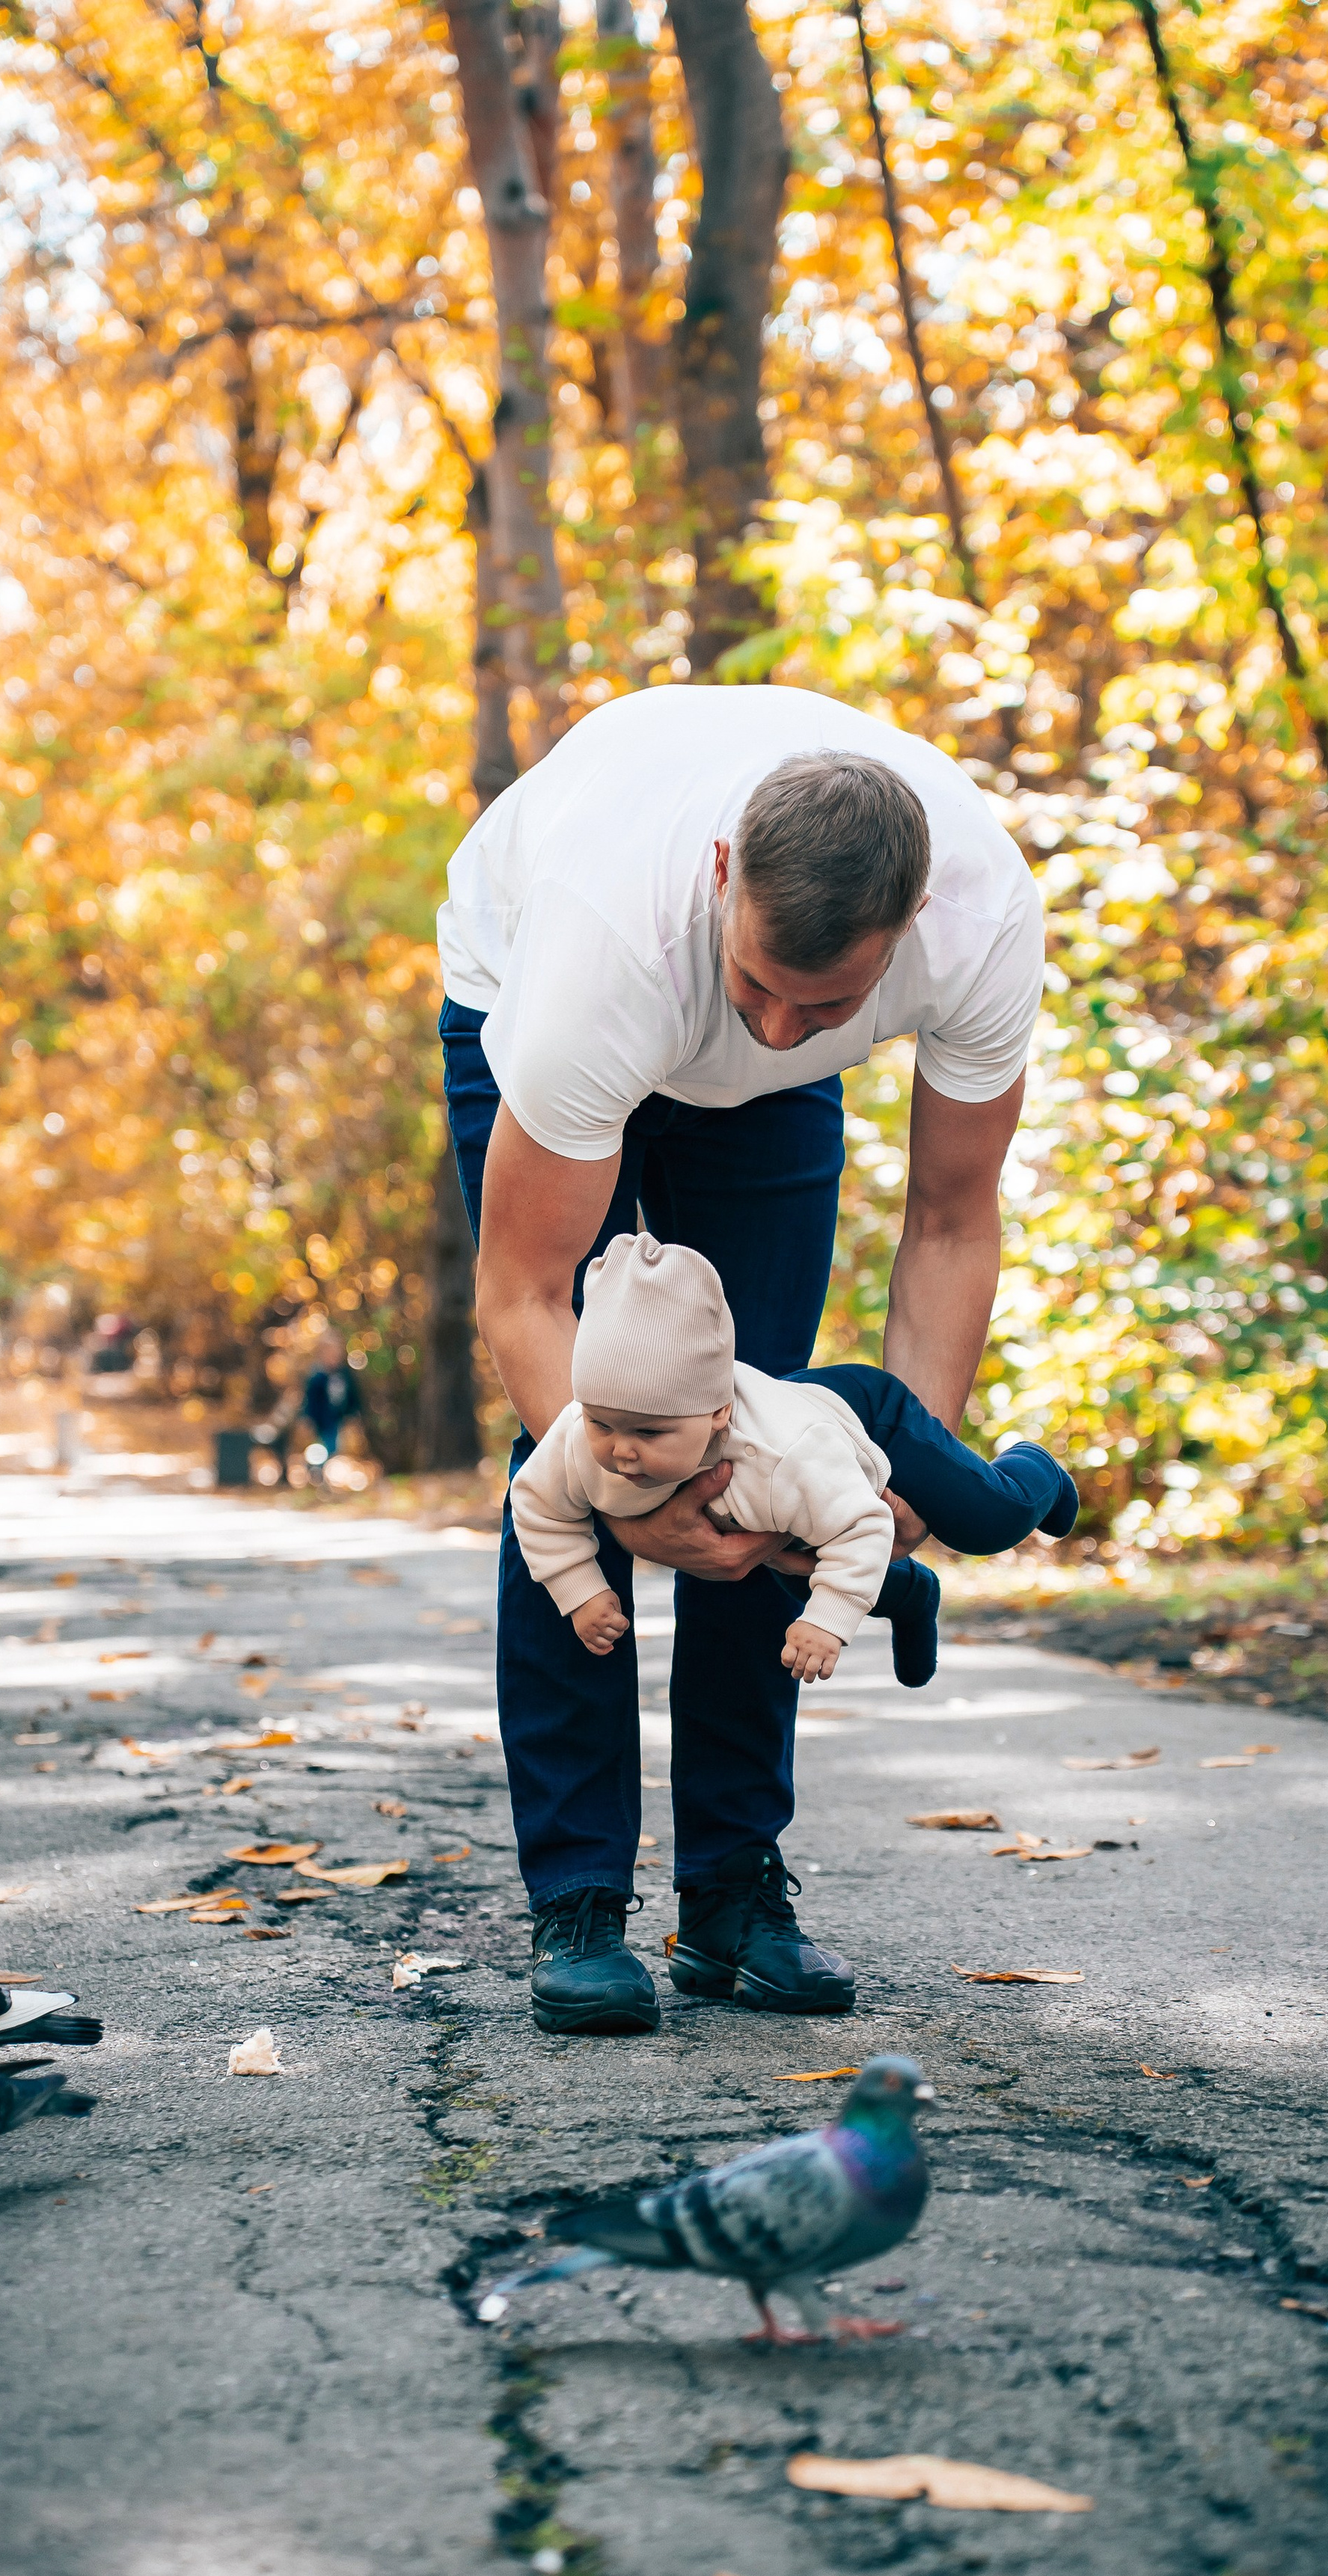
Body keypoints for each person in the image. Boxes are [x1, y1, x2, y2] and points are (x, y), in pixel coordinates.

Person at [439, 681, 1047, 2040]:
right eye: (762, 983)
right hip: (544, 997)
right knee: (598, 1459)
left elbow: (952, 1222)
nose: (780, 1029)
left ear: (907, 936)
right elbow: (528, 1298)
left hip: (757, 1117)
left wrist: (893, 1479)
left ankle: (729, 1891)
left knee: (766, 1446)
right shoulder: (605, 943)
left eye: (823, 1004)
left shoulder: (985, 922)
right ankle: (581, 1903)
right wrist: (639, 1505)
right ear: (723, 876)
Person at [512, 1227, 1074, 1711]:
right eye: (601, 1424)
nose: (621, 1452)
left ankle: (1039, 1470)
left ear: (717, 1414)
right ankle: (909, 1594)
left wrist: (827, 1622)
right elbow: (536, 1505)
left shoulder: (788, 1457)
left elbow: (864, 1526)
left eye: (648, 1432)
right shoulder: (579, 1440)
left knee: (983, 1523)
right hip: (772, 1462)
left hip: (862, 1417)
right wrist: (579, 1589)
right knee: (797, 1565)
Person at [300, 1336, 363, 1468]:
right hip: (321, 1420)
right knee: (321, 1447)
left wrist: (354, 1414)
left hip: (340, 1418)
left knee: (339, 1446)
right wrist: (307, 1419)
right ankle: (317, 1470)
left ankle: (334, 1471)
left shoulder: (345, 1375)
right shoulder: (317, 1377)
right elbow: (310, 1401)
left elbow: (353, 1397)